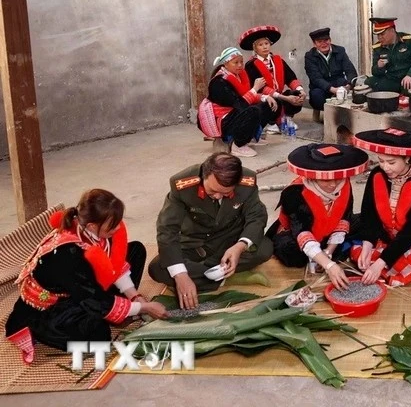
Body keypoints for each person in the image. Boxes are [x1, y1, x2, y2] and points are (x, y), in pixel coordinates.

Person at [5, 189, 167, 363]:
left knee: (135, 250)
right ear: (92, 226)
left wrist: (135, 297)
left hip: (83, 285)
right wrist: (144, 308)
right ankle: (39, 328)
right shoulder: (68, 255)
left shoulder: (91, 229)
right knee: (98, 334)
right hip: (53, 305)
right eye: (112, 226)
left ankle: (120, 307)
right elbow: (92, 298)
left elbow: (113, 263)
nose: (118, 228)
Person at [148, 153, 273, 307]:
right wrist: (180, 275)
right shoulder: (182, 185)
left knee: (265, 249)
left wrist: (240, 246)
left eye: (226, 193)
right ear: (204, 176)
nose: (217, 196)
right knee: (157, 268)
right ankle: (224, 275)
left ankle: (209, 274)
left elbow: (257, 216)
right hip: (195, 244)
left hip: (230, 239)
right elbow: (167, 229)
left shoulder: (247, 182)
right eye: (212, 191)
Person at [265, 143, 368, 290]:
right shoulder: (294, 193)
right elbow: (301, 232)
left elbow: (344, 217)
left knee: (366, 221)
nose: (333, 184)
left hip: (329, 230)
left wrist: (329, 251)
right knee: (290, 252)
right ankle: (317, 256)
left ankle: (323, 253)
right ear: (313, 177)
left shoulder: (344, 184)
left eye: (337, 178)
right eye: (326, 180)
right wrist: (329, 264)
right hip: (297, 235)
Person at [348, 129, 411, 287]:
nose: (385, 167)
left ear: (407, 157)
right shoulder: (377, 175)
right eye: (381, 161)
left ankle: (382, 270)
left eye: (391, 162)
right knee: (358, 252)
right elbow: (370, 214)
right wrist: (367, 245)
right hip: (386, 236)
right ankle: (383, 269)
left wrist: (380, 263)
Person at [197, 47, 277, 158]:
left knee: (268, 104)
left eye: (241, 62)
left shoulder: (237, 76)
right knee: (253, 111)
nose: (240, 65)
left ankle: (251, 137)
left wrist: (264, 97)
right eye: (236, 62)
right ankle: (238, 145)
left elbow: (245, 96)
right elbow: (240, 104)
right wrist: (255, 88)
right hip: (223, 121)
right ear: (226, 64)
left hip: (234, 113)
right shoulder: (218, 82)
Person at [240, 25, 306, 133]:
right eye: (260, 45)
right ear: (255, 48)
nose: (265, 47)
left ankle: (287, 117)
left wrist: (301, 90)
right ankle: (270, 122)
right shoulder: (251, 65)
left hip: (279, 95)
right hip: (265, 97)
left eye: (266, 43)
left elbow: (290, 77)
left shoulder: (278, 60)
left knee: (296, 94)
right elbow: (261, 88)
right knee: (270, 102)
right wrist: (284, 98)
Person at [367, 17, 411, 94]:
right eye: (378, 35)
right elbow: (375, 72)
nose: (379, 37)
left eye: (382, 34)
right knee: (369, 82)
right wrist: (379, 67)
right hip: (393, 79)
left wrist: (410, 75)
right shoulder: (377, 47)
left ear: (392, 31)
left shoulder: (409, 40)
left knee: (406, 87)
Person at [304, 27, 358, 109]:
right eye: (319, 42)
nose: (323, 44)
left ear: (330, 40)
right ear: (314, 44)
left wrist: (348, 86)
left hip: (339, 83)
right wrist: (333, 90)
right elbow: (316, 78)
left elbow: (350, 70)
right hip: (321, 88)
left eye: (326, 40)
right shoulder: (310, 56)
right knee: (316, 97)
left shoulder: (340, 51)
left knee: (355, 94)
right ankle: (330, 116)